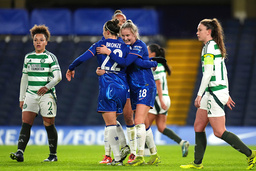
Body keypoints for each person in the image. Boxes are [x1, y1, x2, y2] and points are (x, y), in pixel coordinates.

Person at [66, 19, 156, 166]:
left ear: (107, 32)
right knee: (124, 121)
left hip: (108, 86)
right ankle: (131, 151)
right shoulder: (126, 46)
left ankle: (118, 158)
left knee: (110, 125)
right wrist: (153, 63)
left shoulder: (100, 45)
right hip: (124, 89)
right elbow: (129, 64)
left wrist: (71, 67)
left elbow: (83, 58)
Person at [180, 18, 256, 170]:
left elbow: (207, 74)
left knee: (219, 132)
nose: (197, 32)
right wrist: (225, 92)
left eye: (199, 30)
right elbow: (223, 72)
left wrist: (199, 94)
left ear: (208, 32)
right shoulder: (211, 46)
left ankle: (251, 154)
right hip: (213, 91)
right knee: (198, 125)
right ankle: (197, 163)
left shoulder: (209, 48)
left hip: (212, 92)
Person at [97, 20, 159, 166]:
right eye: (123, 36)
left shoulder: (139, 45)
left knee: (138, 121)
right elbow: (122, 66)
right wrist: (104, 71)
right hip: (134, 88)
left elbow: (126, 62)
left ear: (135, 33)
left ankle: (139, 156)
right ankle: (153, 154)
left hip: (145, 85)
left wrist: (109, 52)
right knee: (139, 122)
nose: (125, 38)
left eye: (128, 35)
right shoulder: (126, 47)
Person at [10, 25, 62, 162]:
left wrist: (46, 87)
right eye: (35, 40)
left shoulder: (51, 57)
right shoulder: (28, 57)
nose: (38, 42)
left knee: (49, 123)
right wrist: (22, 98)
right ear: (33, 42)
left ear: (46, 42)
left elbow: (58, 77)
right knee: (26, 123)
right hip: (31, 94)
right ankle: (20, 152)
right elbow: (24, 79)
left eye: (41, 40)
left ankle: (53, 155)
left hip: (47, 95)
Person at [98, 9, 134, 165]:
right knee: (110, 120)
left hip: (125, 84)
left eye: (123, 21)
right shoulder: (106, 41)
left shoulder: (128, 42)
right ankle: (109, 154)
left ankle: (132, 151)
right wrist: (99, 70)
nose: (121, 24)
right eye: (118, 21)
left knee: (128, 117)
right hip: (110, 84)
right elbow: (102, 64)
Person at [146, 44, 190, 157]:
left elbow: (158, 83)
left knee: (144, 125)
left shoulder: (154, 65)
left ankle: (146, 153)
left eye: (147, 51)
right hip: (166, 98)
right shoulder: (162, 65)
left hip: (158, 98)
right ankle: (182, 142)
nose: (145, 52)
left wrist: (160, 100)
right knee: (161, 127)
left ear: (153, 54)